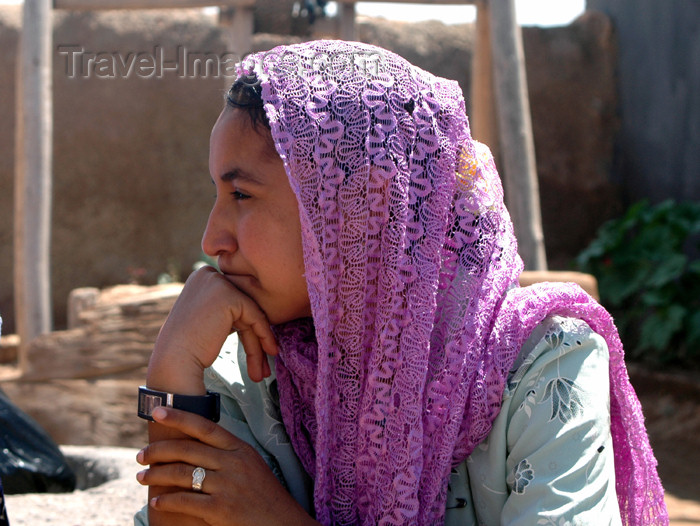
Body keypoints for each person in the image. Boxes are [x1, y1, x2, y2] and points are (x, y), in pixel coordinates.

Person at [135, 40, 668, 525]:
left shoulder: (543, 364)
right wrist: (175, 364)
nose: (211, 241)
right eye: (217, 195)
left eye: (242, 196)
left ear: (360, 208)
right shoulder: (249, 371)